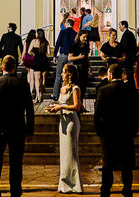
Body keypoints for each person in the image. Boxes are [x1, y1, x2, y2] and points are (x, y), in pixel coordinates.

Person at [0, 55, 35, 197]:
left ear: (2, 67)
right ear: (14, 67)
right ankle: (16, 192)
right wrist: (30, 130)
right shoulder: (23, 84)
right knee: (16, 164)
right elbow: (29, 109)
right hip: (17, 129)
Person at [95, 63, 139, 197]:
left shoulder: (103, 90)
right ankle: (127, 189)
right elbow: (136, 112)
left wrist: (100, 132)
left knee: (107, 164)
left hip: (108, 133)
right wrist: (134, 130)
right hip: (126, 132)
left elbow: (98, 114)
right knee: (126, 164)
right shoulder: (130, 90)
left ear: (110, 74)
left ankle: (106, 190)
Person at [48, 63, 83, 193]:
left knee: (71, 152)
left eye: (64, 72)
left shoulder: (75, 89)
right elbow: (62, 103)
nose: (62, 74)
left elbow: (77, 106)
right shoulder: (63, 87)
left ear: (70, 74)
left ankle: (75, 184)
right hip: (62, 121)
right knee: (64, 153)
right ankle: (64, 183)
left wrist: (61, 107)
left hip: (71, 122)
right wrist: (55, 106)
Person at [52, 16, 78, 97]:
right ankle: (70, 94)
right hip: (71, 56)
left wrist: (55, 55)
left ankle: (55, 95)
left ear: (67, 24)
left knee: (59, 76)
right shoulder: (75, 34)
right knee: (71, 76)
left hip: (63, 55)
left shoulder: (63, 32)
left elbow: (58, 43)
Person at [24, 29, 50, 103]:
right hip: (44, 60)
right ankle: (41, 94)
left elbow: (29, 51)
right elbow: (48, 52)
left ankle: (37, 97)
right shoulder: (46, 42)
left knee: (37, 79)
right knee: (43, 79)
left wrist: (34, 54)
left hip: (37, 60)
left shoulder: (34, 41)